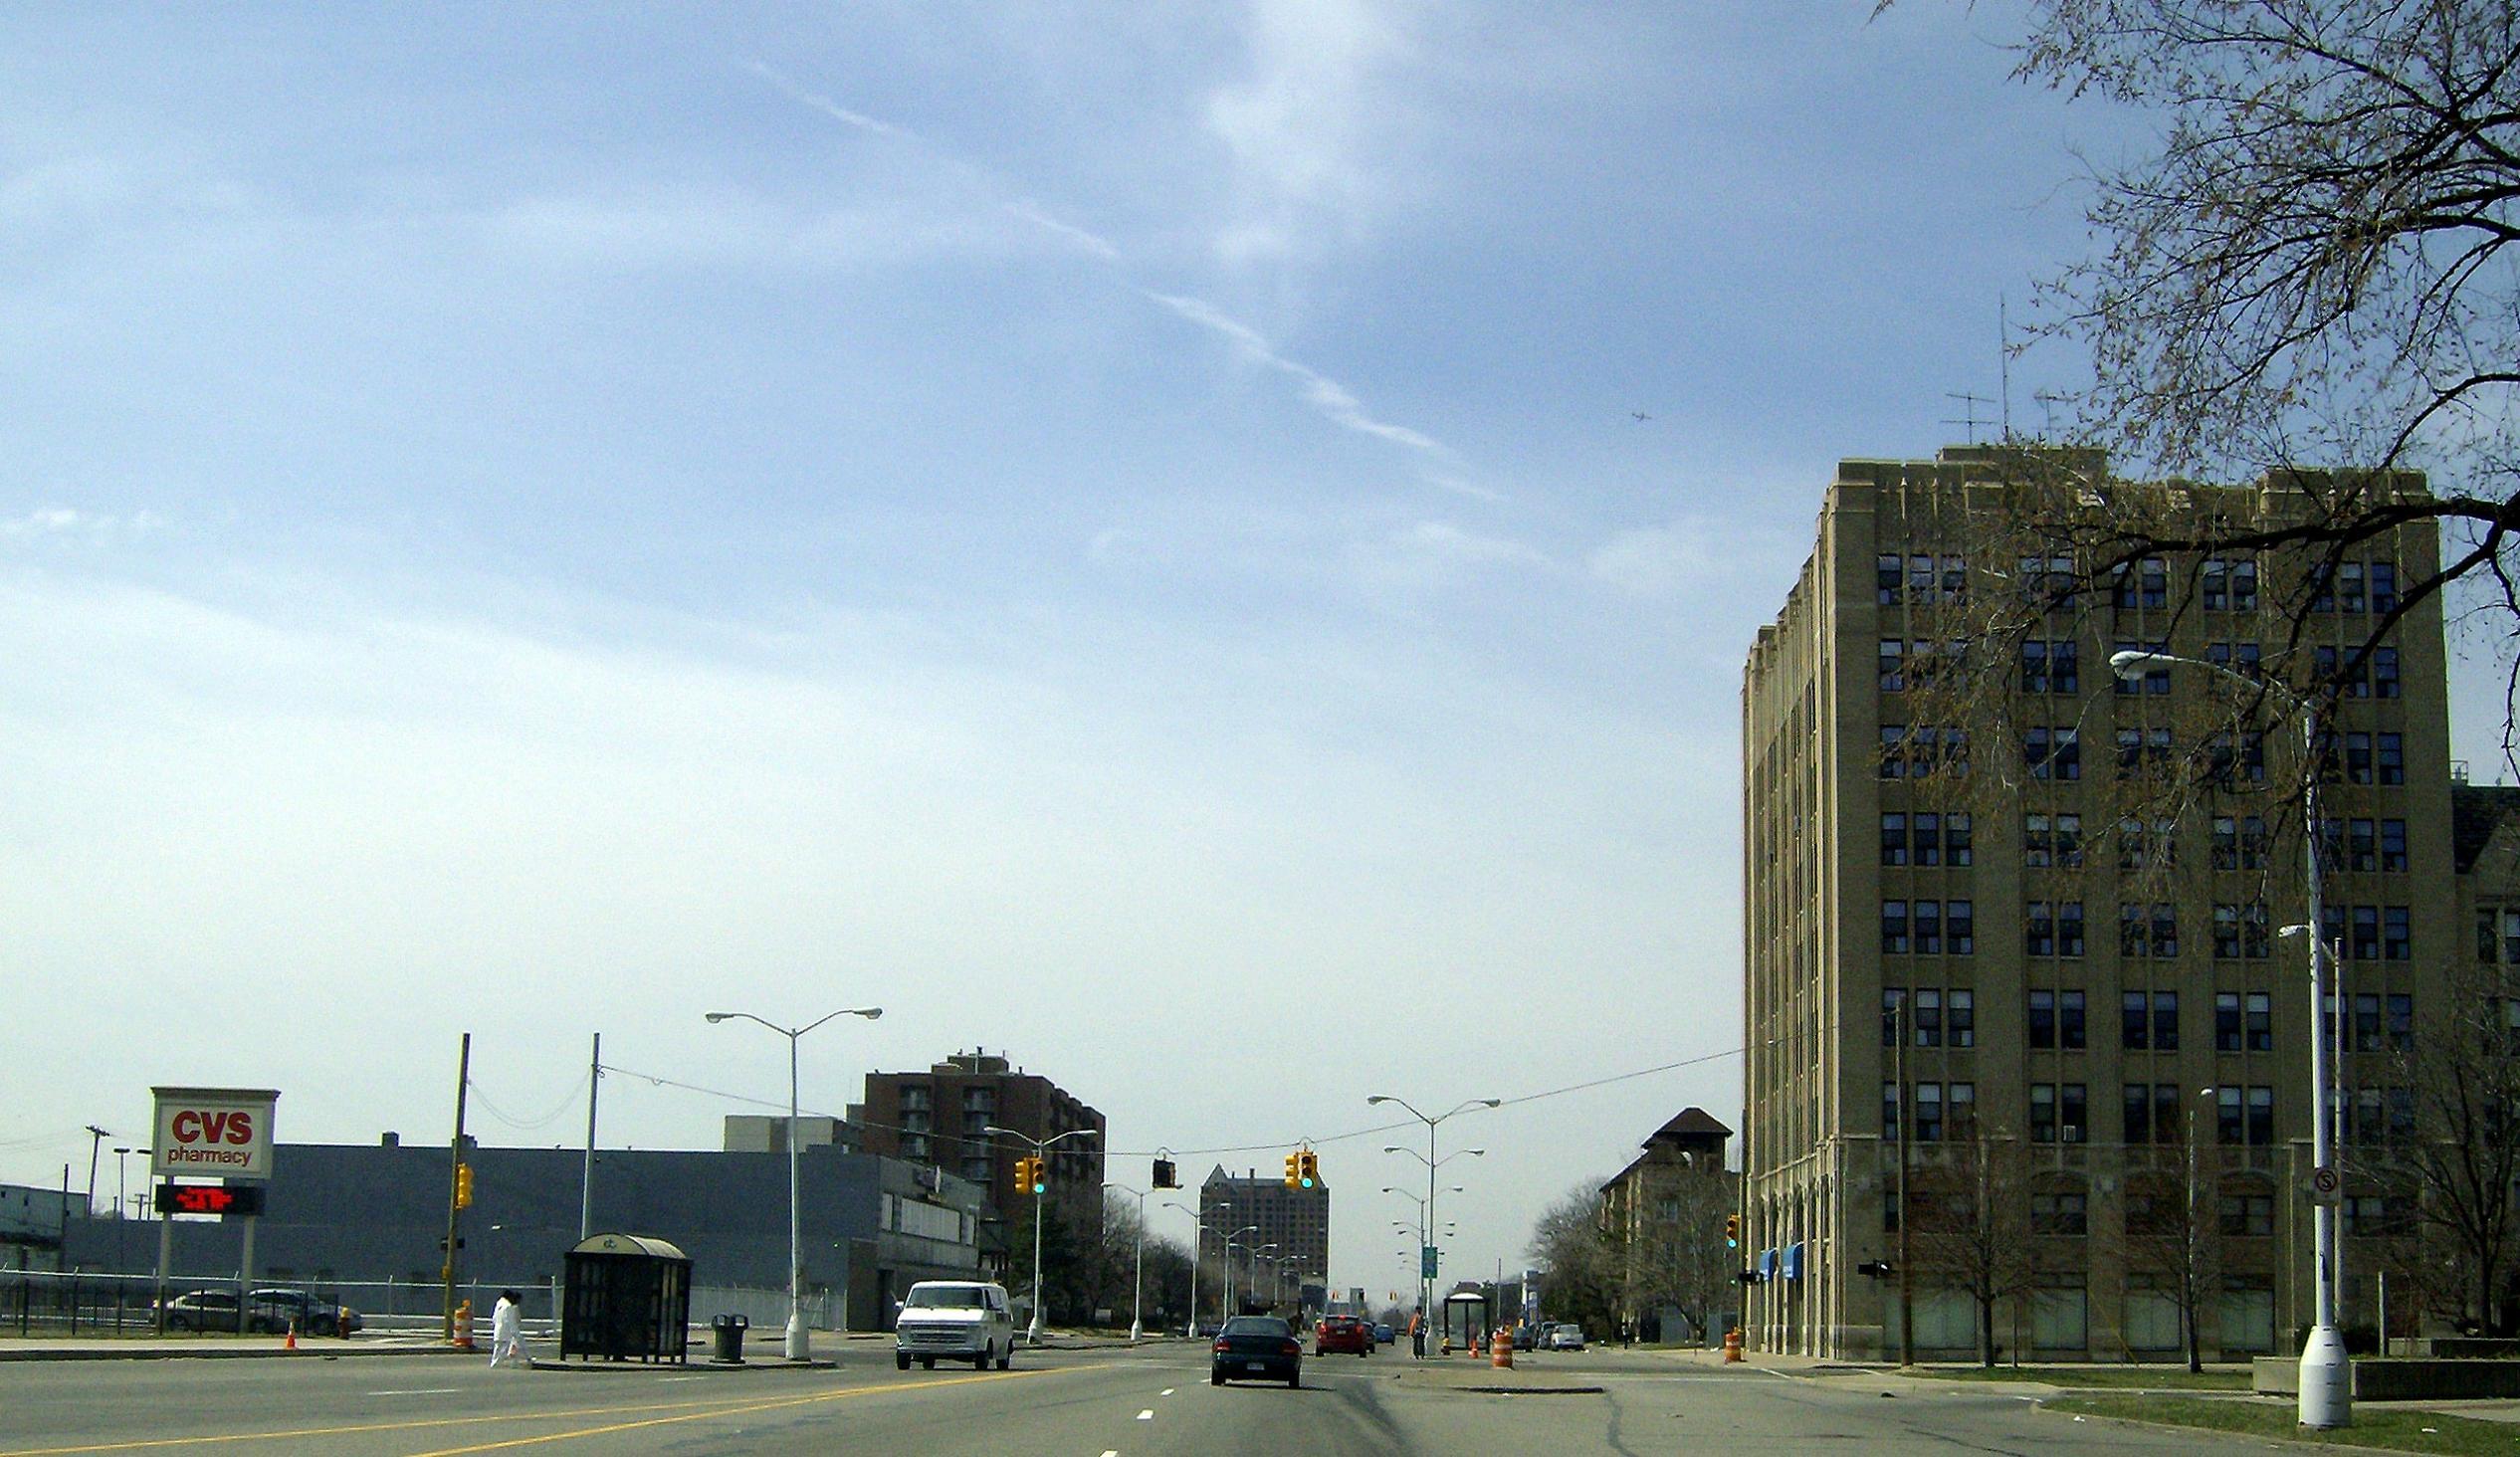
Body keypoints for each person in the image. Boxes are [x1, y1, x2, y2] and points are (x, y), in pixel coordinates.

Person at [488, 1290, 526, 1369]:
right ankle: (497, 1363)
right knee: (505, 1348)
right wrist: (515, 1331)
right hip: (506, 1331)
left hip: (498, 1329)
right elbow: (510, 1321)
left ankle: (495, 1363)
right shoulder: (508, 1306)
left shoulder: (499, 1304)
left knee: (499, 1347)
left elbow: (494, 1318)